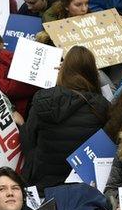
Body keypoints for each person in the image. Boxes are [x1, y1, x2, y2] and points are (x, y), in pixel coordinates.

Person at [21, 46, 110, 189]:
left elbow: (29, 137)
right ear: (93, 72)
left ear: (63, 69)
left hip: (44, 183)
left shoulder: (43, 99)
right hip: (84, 185)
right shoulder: (102, 105)